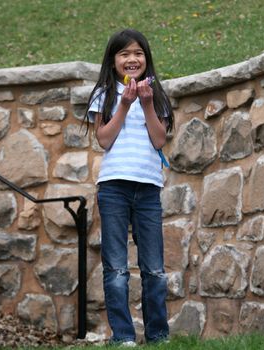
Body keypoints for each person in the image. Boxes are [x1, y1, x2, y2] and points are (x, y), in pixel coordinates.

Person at [85, 28, 174, 345]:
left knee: (154, 269)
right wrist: (124, 104)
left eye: (138, 53)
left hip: (148, 188)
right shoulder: (104, 94)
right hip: (113, 188)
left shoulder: (157, 95)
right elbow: (104, 139)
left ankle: (158, 335)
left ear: (146, 60)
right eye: (124, 54)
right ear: (113, 61)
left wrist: (147, 105)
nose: (132, 59)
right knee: (116, 268)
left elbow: (159, 139)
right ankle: (123, 336)